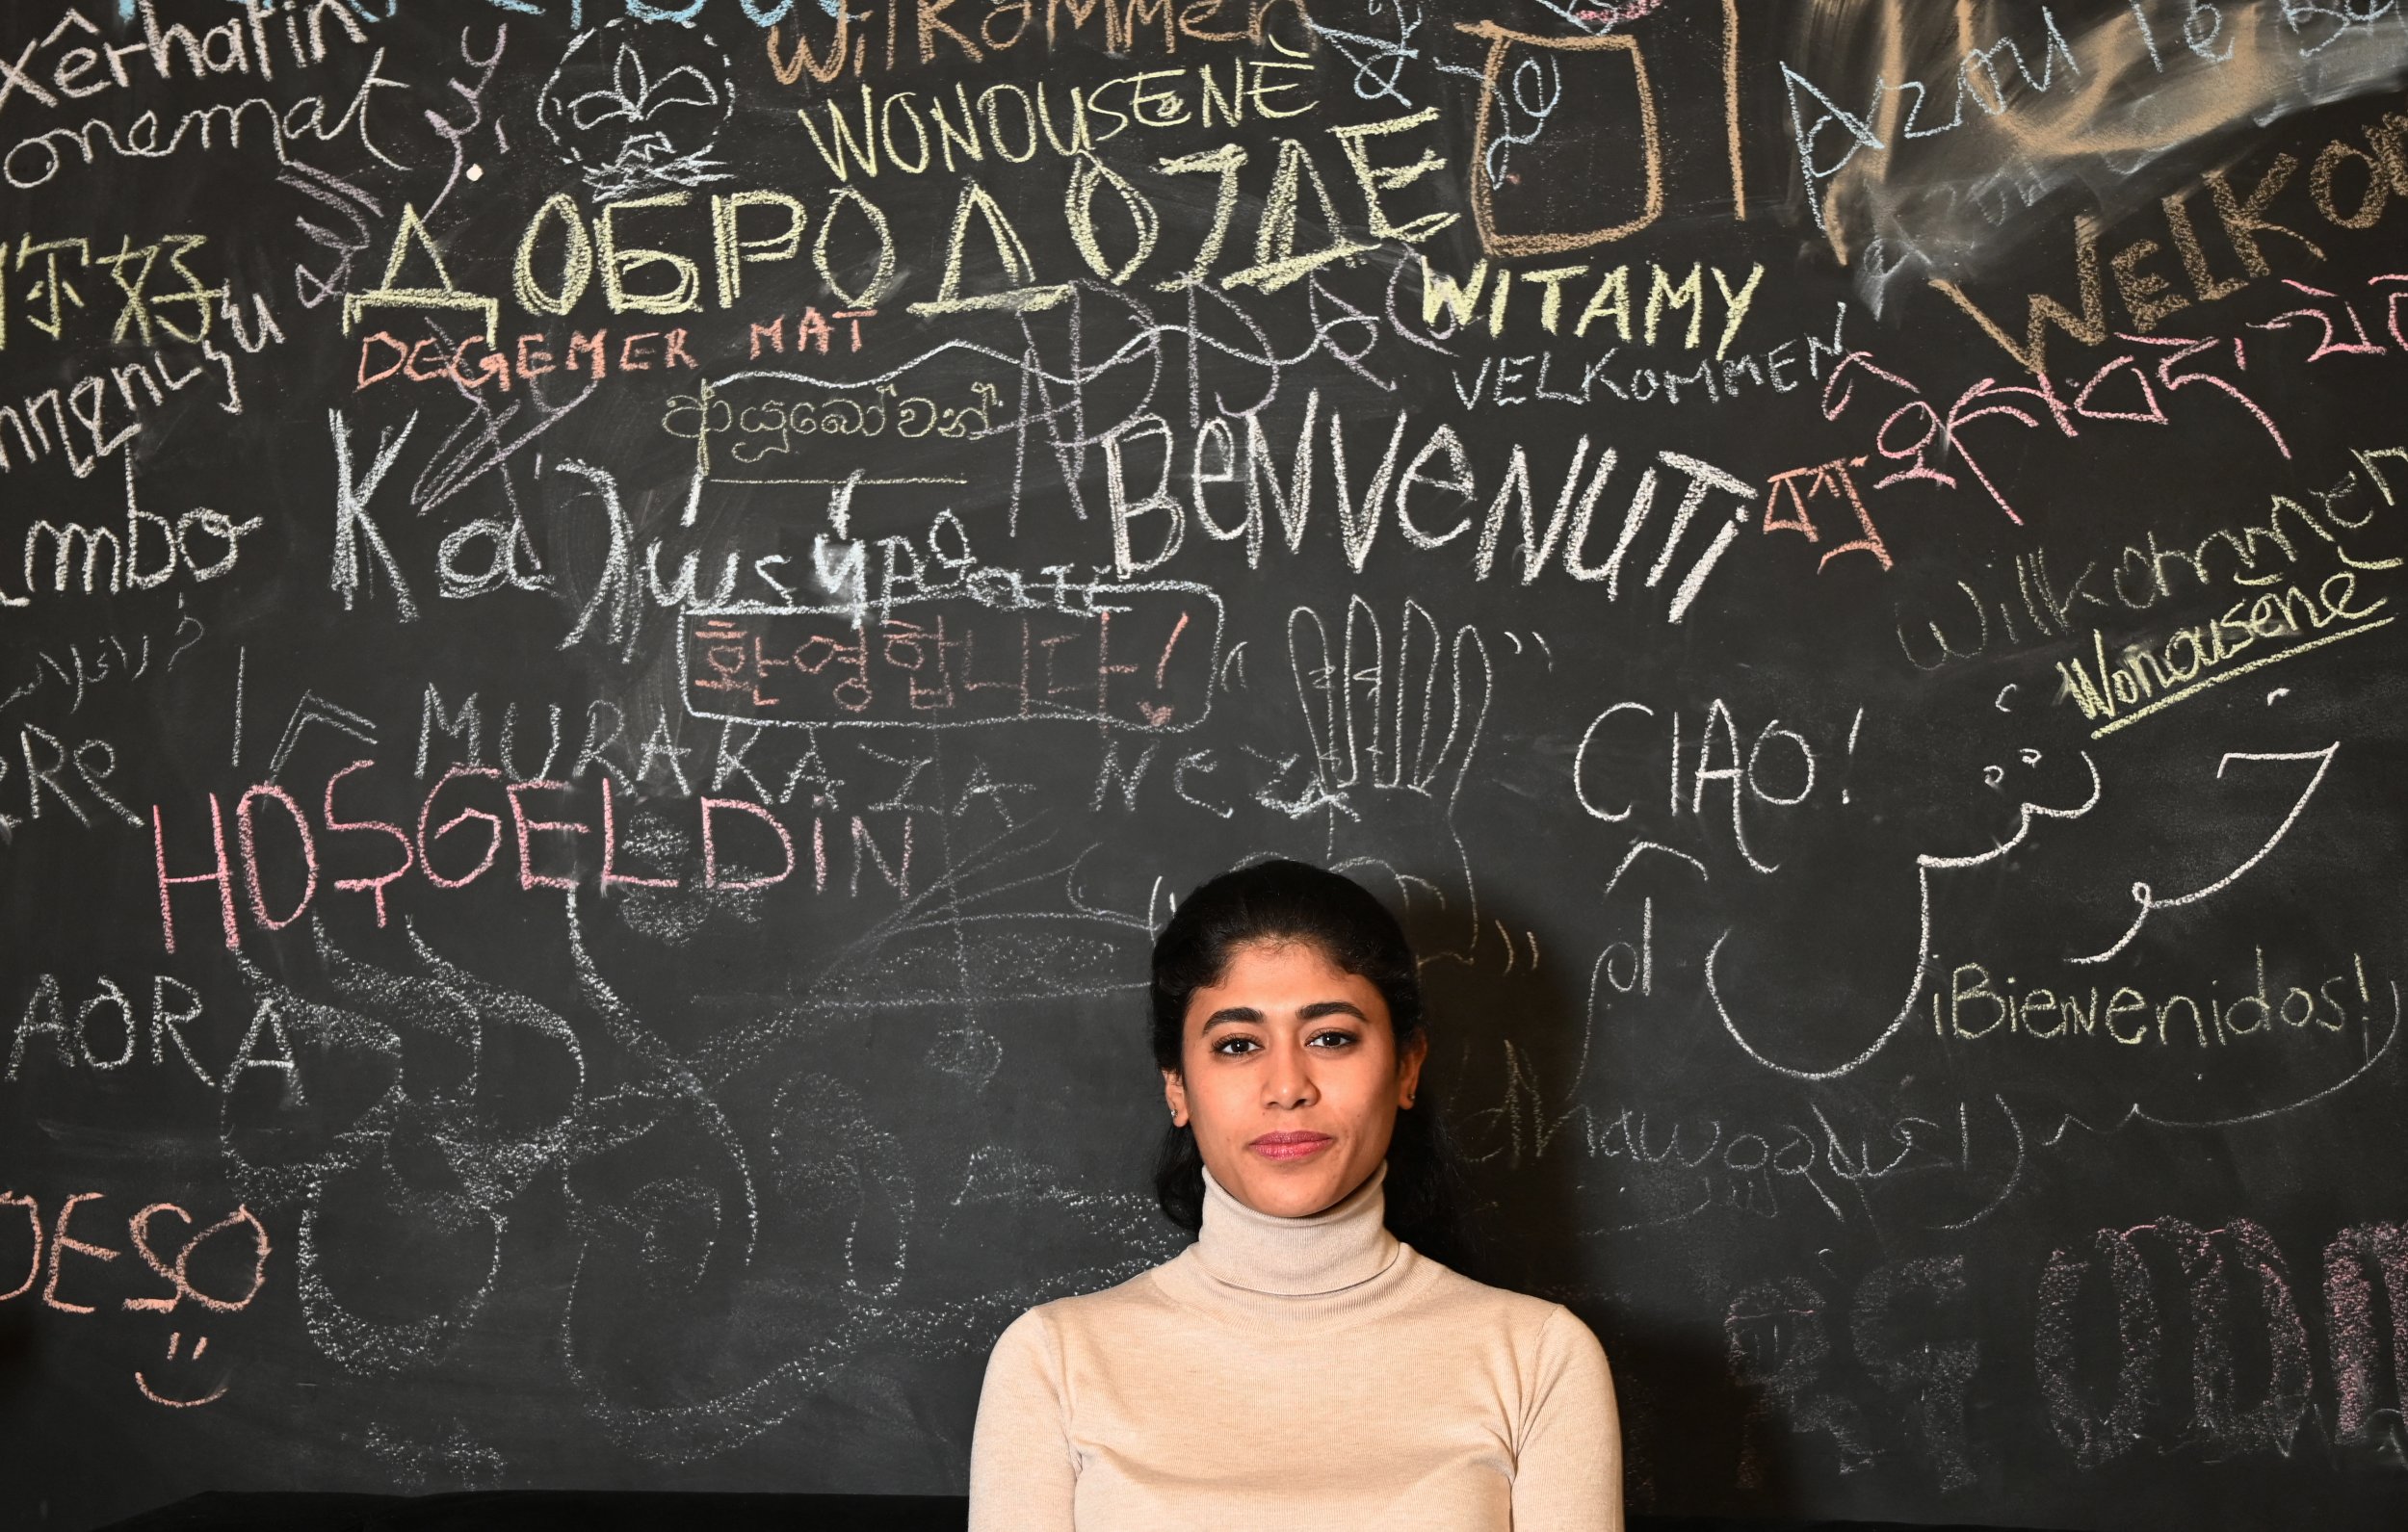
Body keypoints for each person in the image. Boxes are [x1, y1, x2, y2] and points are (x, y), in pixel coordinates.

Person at [968, 859, 1623, 1530]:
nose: (1287, 1085)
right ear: (1176, 1085)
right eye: (1237, 1043)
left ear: (1407, 1066)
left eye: (1331, 1037)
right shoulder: (1053, 1362)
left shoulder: (1538, 1358)